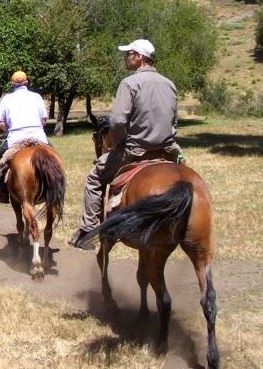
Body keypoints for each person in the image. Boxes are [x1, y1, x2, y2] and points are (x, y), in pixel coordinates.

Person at [69, 39, 182, 250]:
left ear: (139, 57)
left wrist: (119, 142)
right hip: (167, 151)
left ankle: (87, 231)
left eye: (128, 54)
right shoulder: (170, 84)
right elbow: (173, 120)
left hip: (135, 151)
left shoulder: (129, 83)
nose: (125, 57)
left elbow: (118, 120)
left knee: (94, 179)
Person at [0, 71, 49, 203]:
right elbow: (44, 120)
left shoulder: (6, 99)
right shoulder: (36, 97)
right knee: (54, 159)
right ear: (26, 82)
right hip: (38, 136)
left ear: (13, 84)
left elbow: (1, 123)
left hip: (16, 138)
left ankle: (1, 192)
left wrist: (9, 131)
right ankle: (56, 186)